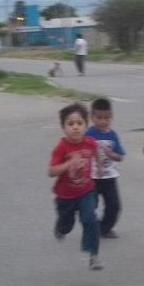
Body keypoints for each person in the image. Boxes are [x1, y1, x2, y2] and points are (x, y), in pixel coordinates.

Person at [49, 103, 104, 270]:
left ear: (86, 125)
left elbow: (95, 150)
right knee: (67, 226)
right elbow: (51, 171)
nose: (75, 128)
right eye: (70, 124)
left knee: (90, 219)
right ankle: (60, 227)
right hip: (65, 195)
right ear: (63, 127)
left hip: (86, 190)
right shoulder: (62, 147)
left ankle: (93, 255)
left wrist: (100, 166)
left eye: (79, 123)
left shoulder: (90, 142)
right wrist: (68, 164)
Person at [86, 98, 125, 239]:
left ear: (111, 117)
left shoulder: (112, 135)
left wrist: (112, 154)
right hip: (92, 177)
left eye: (107, 118)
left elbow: (120, 156)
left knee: (114, 205)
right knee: (90, 206)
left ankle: (104, 228)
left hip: (109, 177)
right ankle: (92, 225)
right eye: (99, 118)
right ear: (92, 118)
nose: (103, 121)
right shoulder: (89, 134)